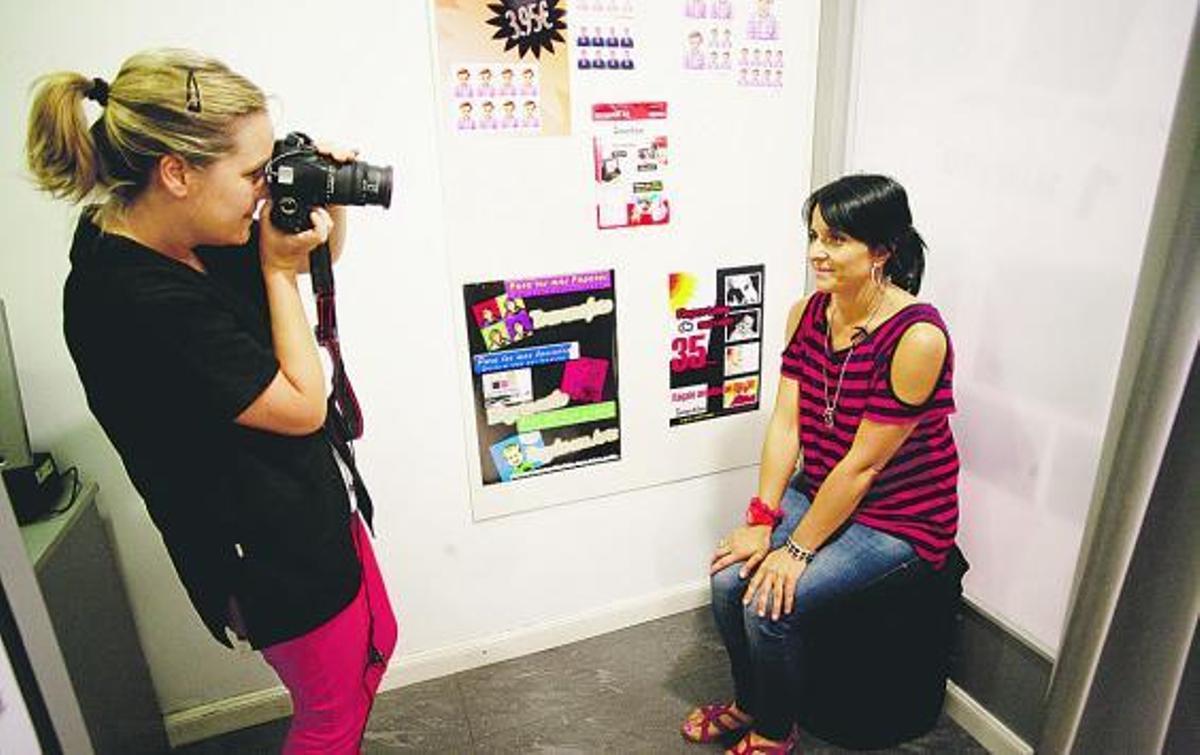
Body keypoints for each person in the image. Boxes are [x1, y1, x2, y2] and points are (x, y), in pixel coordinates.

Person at [25, 48, 398, 754]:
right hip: (266, 552)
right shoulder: (130, 298)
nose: (264, 190)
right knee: (330, 714)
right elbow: (301, 405)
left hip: (304, 511)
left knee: (370, 654)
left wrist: (321, 198)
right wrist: (278, 272)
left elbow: (307, 256)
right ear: (177, 172)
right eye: (255, 174)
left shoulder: (185, 232)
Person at [681, 175, 959, 753]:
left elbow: (863, 468)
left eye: (836, 239)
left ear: (881, 250)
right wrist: (762, 519)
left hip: (899, 518)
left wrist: (797, 551)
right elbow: (786, 425)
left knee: (769, 605)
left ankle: (774, 733)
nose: (816, 252)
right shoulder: (807, 314)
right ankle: (749, 702)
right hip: (824, 488)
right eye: (813, 236)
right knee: (729, 579)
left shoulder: (917, 336)